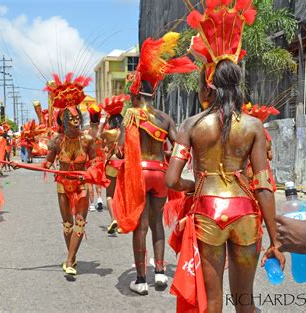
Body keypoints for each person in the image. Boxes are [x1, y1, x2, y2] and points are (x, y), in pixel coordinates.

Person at [164, 2, 285, 312]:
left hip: (207, 211)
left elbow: (172, 179)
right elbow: (263, 184)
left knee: (213, 302)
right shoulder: (254, 126)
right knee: (245, 301)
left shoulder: (191, 125)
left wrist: (197, 185)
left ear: (209, 85)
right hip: (245, 212)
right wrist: (275, 240)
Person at [113, 31, 198, 295]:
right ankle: (160, 273)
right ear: (154, 93)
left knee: (140, 226)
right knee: (157, 223)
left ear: (137, 92)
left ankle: (140, 280)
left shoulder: (131, 116)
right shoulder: (165, 118)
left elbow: (119, 152)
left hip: (139, 175)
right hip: (161, 174)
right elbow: (180, 148)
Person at [43, 73, 97, 276]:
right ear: (64, 121)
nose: (75, 121)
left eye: (77, 118)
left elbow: (95, 163)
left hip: (82, 186)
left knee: (80, 222)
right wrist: (16, 163)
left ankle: (69, 260)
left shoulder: (88, 140)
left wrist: (89, 173)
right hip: (62, 185)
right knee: (67, 224)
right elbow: (47, 163)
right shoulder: (57, 141)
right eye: (71, 118)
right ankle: (72, 256)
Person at [98, 95, 129, 234]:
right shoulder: (126, 132)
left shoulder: (109, 133)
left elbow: (98, 136)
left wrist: (103, 122)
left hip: (112, 164)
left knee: (110, 195)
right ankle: (124, 221)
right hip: (125, 164)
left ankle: (113, 219)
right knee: (122, 194)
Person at [86, 103, 104, 212]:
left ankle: (92, 203)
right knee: (98, 181)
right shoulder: (101, 133)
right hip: (100, 160)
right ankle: (100, 199)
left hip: (89, 160)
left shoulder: (87, 133)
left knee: (90, 182)